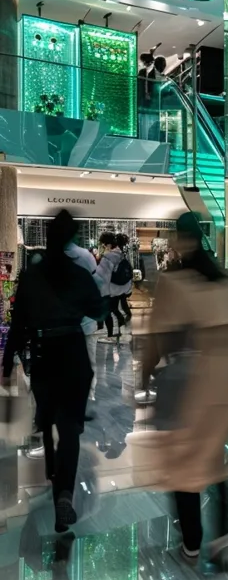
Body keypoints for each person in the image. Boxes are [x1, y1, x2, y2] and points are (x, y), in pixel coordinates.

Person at [139, 212, 228, 568]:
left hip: (192, 388)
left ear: (181, 240)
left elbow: (158, 340)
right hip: (225, 388)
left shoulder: (175, 282)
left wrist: (142, 377)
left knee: (184, 463)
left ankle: (191, 542)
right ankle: (221, 536)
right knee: (215, 463)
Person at [2, 210, 104, 532]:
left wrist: (6, 364)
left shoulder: (33, 276)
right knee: (70, 428)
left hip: (44, 354)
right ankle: (65, 494)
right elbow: (98, 309)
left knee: (46, 418)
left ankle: (51, 474)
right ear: (72, 238)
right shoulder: (77, 273)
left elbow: (18, 324)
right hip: (72, 352)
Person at [64, 230, 103, 403]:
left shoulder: (49, 258)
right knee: (89, 361)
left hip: (60, 325)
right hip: (86, 322)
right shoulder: (86, 257)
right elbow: (98, 288)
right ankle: (89, 394)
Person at [96, 232, 131, 342]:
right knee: (115, 310)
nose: (102, 247)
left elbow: (103, 276)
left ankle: (110, 335)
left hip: (110, 290)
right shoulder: (120, 255)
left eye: (103, 245)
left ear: (109, 245)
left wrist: (101, 292)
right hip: (120, 289)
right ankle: (121, 331)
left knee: (108, 312)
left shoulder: (108, 257)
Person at [115, 233, 134, 326]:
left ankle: (121, 321)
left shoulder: (116, 253)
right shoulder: (123, 253)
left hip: (117, 282)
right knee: (122, 302)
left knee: (116, 305)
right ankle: (125, 318)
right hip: (123, 282)